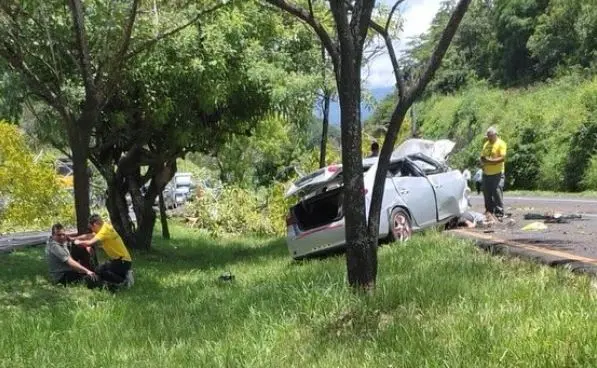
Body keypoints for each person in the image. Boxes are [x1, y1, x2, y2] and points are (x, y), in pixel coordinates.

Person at [73, 214, 134, 289]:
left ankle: (123, 280)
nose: (92, 230)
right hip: (119, 260)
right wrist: (73, 238)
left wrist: (78, 242)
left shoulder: (104, 231)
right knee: (99, 269)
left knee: (101, 272)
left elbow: (90, 242)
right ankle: (119, 278)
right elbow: (89, 236)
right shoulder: (105, 226)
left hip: (123, 261)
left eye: (92, 228)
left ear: (95, 224)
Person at [46, 223, 98, 287]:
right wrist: (87, 271)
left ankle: (94, 271)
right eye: (59, 235)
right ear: (53, 235)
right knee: (91, 280)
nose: (62, 237)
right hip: (62, 277)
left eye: (63, 234)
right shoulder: (54, 246)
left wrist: (87, 246)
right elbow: (70, 262)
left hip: (69, 271)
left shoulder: (61, 241)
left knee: (80, 246)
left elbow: (81, 237)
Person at [480, 126, 507, 219]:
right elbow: (483, 156)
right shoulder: (486, 144)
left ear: (495, 135)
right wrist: (482, 163)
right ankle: (489, 211)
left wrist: (489, 161)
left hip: (497, 173)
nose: (488, 138)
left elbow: (502, 158)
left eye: (490, 136)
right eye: (487, 136)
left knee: (496, 192)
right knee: (486, 193)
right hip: (486, 173)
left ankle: (499, 212)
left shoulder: (501, 144)